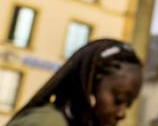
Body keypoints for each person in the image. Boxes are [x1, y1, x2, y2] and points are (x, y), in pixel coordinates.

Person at [8, 39, 143, 126]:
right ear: (91, 88)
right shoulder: (46, 123)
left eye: (129, 104)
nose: (122, 114)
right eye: (118, 100)